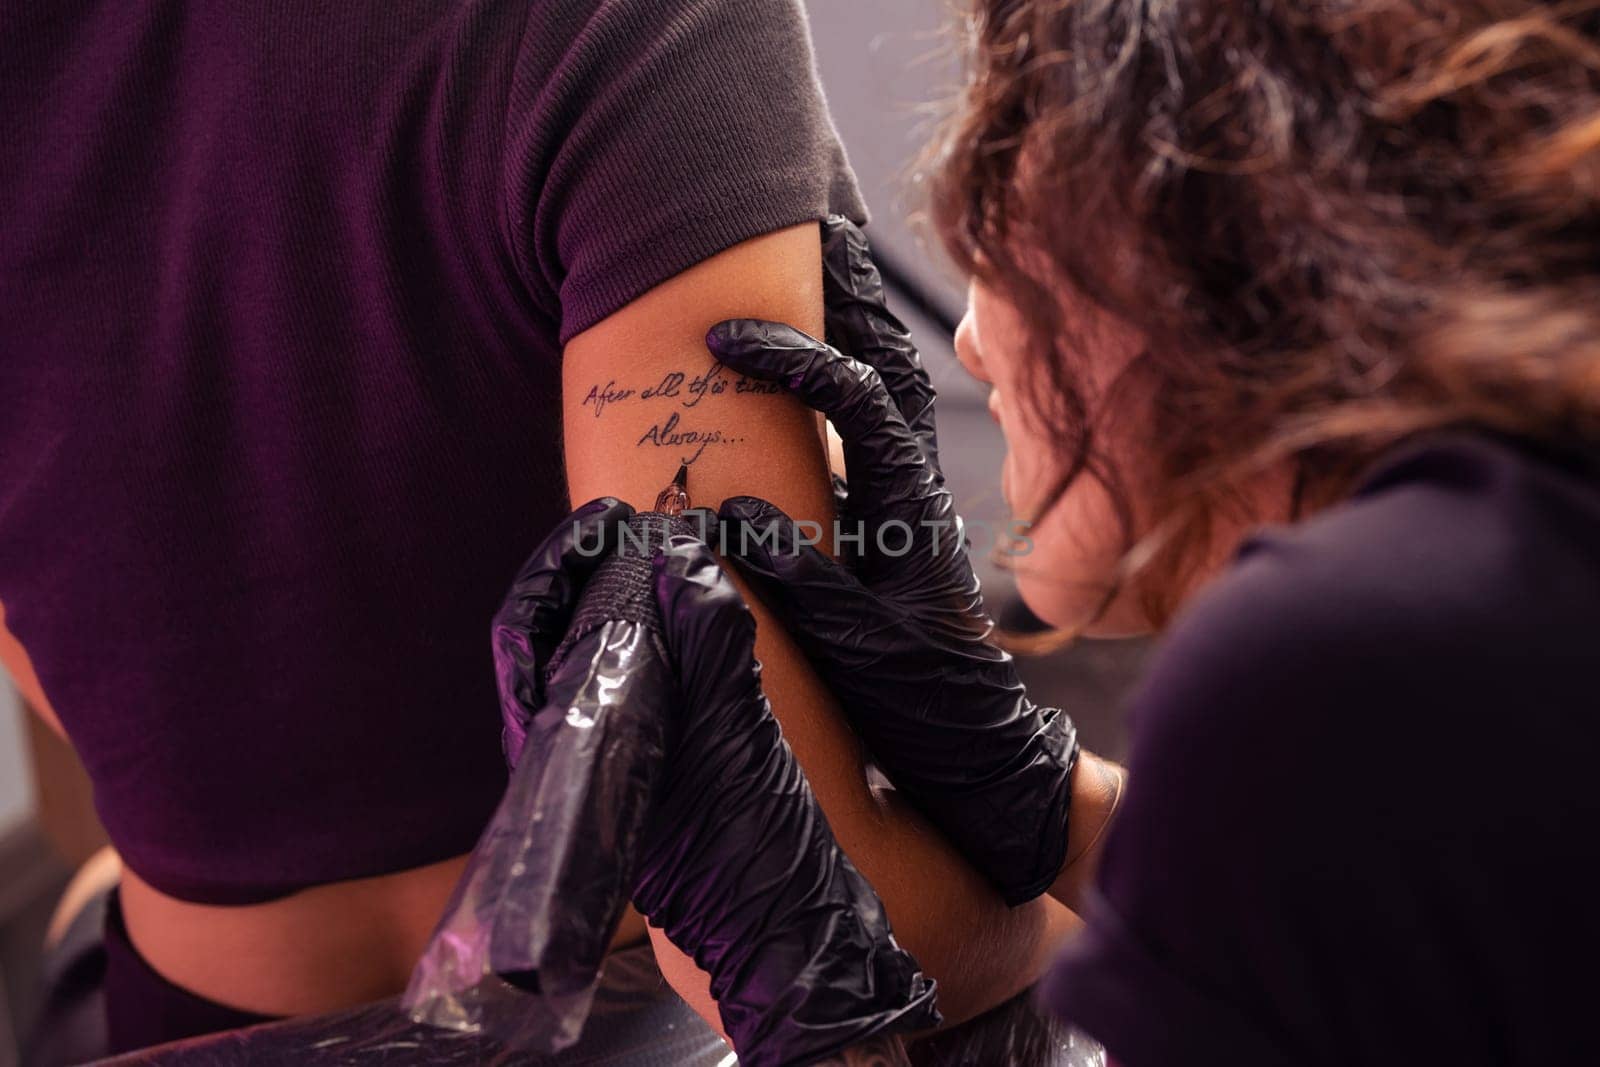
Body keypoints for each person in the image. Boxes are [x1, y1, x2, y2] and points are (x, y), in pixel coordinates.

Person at [529, 0, 1600, 1060]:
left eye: (996, 231)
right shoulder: (1514, 571)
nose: (970, 344)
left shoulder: (1322, 662)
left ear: (1183, 241)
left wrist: (813, 1012)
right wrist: (1034, 788)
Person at [1, 0, 1074, 1057]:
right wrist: (1104, 867)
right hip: (651, 1020)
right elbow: (782, 929)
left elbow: (69, 668)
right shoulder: (643, 21)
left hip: (196, 1007)